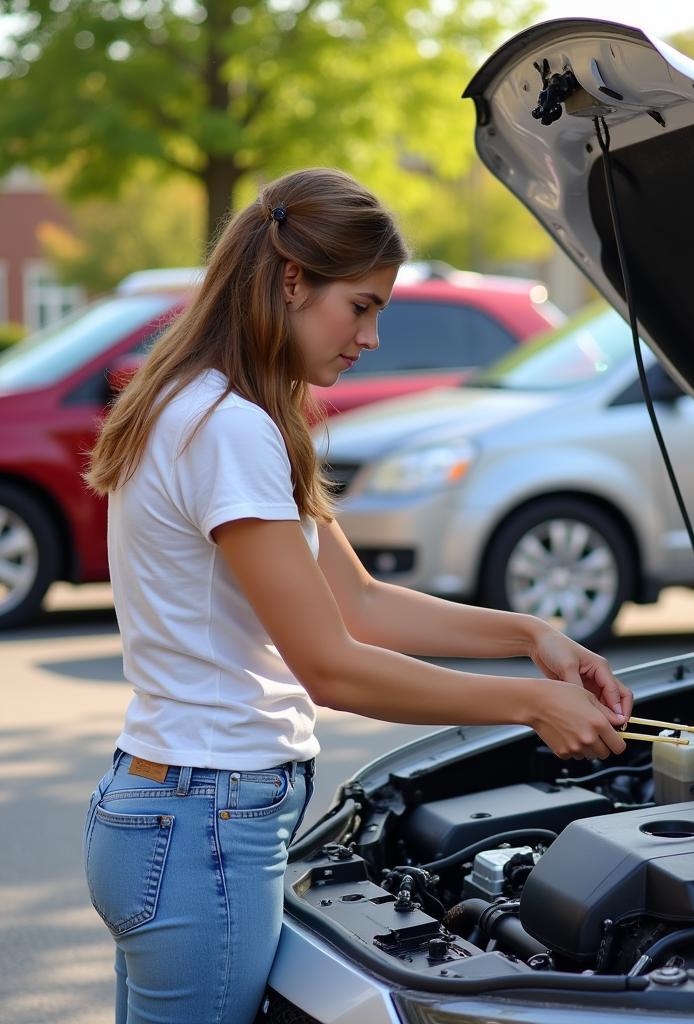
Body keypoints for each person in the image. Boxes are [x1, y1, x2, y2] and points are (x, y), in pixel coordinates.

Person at [81, 167, 633, 1024]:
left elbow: (362, 602)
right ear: (292, 281)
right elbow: (332, 667)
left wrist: (531, 636)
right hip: (205, 824)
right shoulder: (229, 428)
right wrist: (530, 704)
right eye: (363, 305)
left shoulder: (215, 406)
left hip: (173, 810)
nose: (372, 337)